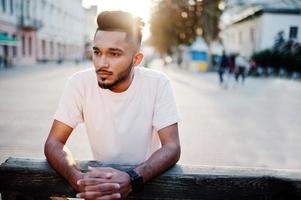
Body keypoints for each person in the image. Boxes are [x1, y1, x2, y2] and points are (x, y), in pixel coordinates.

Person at [44, 11, 181, 200]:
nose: (101, 63)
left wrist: (132, 179)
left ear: (137, 59)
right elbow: (53, 143)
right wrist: (79, 180)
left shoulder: (157, 83)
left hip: (146, 187)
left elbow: (172, 146)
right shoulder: (80, 83)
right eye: (97, 52)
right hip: (102, 190)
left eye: (114, 54)